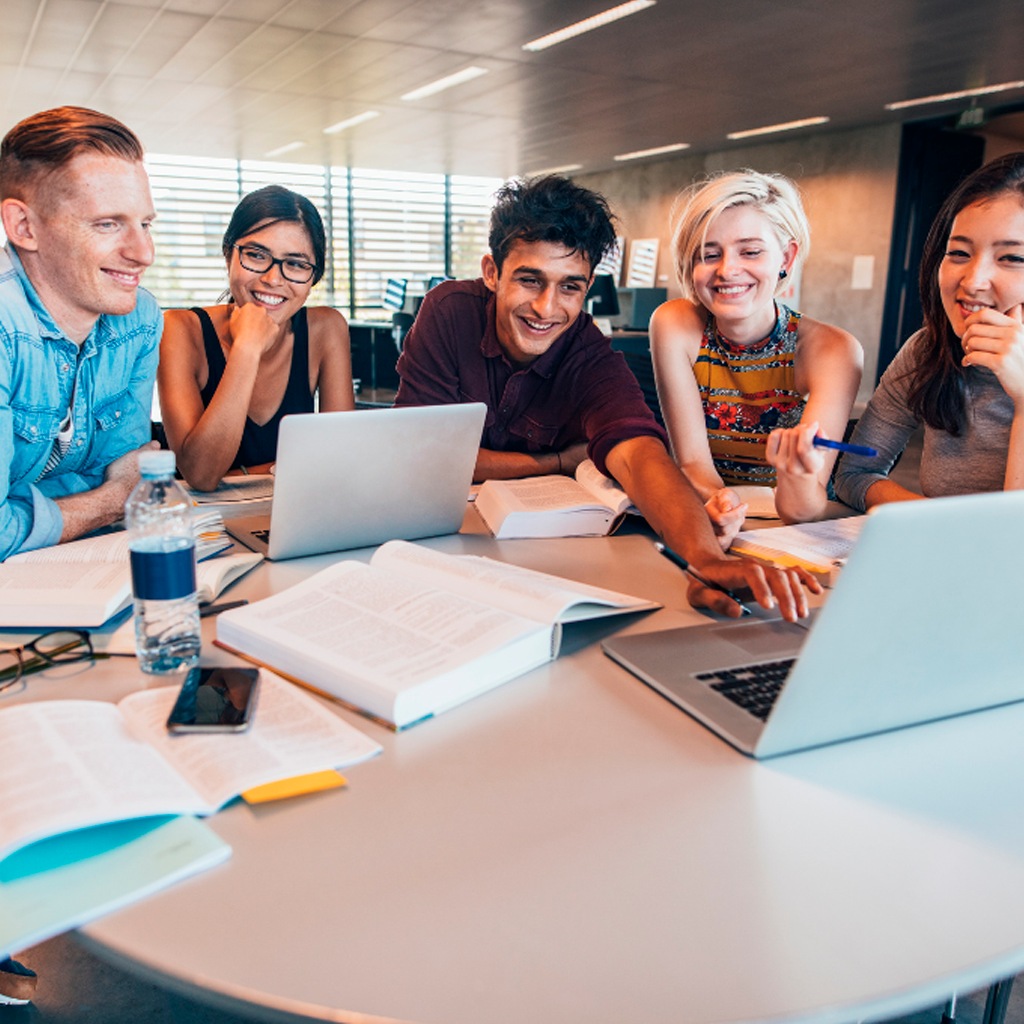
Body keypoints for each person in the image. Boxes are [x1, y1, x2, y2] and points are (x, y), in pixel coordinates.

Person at [395, 175, 817, 620]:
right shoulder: (448, 311)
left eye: (570, 287)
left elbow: (639, 453)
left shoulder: (587, 352)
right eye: (530, 280)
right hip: (435, 545)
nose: (546, 308)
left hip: (535, 559)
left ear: (588, 285)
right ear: (492, 272)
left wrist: (706, 559)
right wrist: (556, 461)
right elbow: (421, 454)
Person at [649, 170, 863, 540]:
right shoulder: (675, 324)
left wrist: (796, 474)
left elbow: (804, 508)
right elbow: (694, 464)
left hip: (798, 532)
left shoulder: (833, 350)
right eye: (709, 254)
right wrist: (722, 507)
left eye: (750, 252)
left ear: (786, 256)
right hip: (716, 518)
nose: (727, 270)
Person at [0, 105, 162, 565]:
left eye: (145, 223)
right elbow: (125, 491)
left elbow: (126, 467)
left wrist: (30, 507)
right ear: (24, 227)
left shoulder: (140, 319)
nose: (143, 252)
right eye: (107, 223)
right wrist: (110, 501)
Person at [835, 152, 1024, 510]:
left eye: (1013, 258)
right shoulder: (929, 348)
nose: (973, 281)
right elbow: (855, 472)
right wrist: (935, 525)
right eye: (959, 252)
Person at [159, 185, 354, 491]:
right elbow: (201, 475)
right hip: (209, 526)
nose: (272, 279)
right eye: (256, 255)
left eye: (296, 264)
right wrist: (247, 347)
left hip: (298, 513)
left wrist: (240, 475)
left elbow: (340, 460)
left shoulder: (326, 328)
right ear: (228, 256)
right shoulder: (179, 330)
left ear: (313, 277)